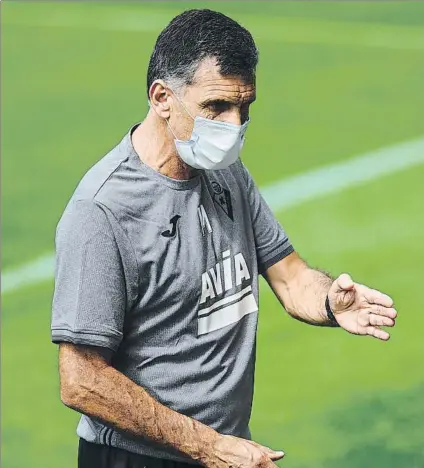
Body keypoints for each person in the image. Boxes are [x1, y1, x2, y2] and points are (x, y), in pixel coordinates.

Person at [51, 8, 397, 468]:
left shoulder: (226, 173)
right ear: (161, 98)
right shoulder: (103, 210)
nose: (233, 127)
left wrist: (331, 302)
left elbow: (291, 277)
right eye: (216, 108)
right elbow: (81, 378)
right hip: (140, 458)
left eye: (245, 108)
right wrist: (207, 445)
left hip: (223, 451)